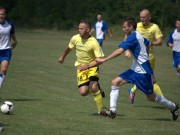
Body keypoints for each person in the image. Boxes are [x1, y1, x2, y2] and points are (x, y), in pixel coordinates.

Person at [96, 18, 179, 121]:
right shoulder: (139, 35)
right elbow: (148, 43)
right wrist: (143, 56)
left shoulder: (132, 38)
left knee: (151, 98)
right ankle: (113, 111)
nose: (123, 29)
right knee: (115, 82)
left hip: (143, 72)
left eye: (125, 27)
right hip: (134, 69)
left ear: (131, 27)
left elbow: (119, 51)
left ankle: (173, 107)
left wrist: (105, 59)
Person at [58, 20, 105, 114]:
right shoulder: (75, 38)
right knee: (83, 92)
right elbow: (69, 48)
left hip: (92, 67)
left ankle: (101, 111)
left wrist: (87, 66)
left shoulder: (94, 42)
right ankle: (97, 89)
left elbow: (99, 60)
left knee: (93, 85)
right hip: (80, 68)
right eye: (78, 28)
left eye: (81, 28)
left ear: (88, 30)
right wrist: (63, 56)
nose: (79, 30)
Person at [125, 9, 164, 104]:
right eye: (141, 17)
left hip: (149, 57)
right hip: (137, 57)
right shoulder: (136, 26)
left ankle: (133, 90)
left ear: (149, 17)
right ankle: (164, 101)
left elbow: (160, 41)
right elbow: (127, 36)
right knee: (151, 80)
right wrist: (127, 50)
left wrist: (150, 43)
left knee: (146, 78)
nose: (142, 19)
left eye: (144, 17)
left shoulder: (154, 27)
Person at [0, 7, 17, 90]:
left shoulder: (10, 24)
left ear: (5, 15)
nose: (1, 16)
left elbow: (14, 39)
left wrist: (11, 47)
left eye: (2, 14)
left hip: (6, 51)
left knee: (4, 69)